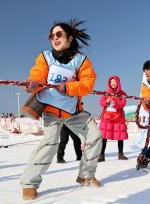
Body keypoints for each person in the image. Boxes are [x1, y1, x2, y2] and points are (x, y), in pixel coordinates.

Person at [21, 19, 102, 200]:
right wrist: (33, 83)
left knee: (95, 136)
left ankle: (86, 176)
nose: (54, 38)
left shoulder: (81, 61)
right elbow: (38, 73)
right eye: (51, 36)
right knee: (50, 142)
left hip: (73, 112)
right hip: (51, 111)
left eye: (59, 34)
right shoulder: (45, 57)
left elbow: (87, 85)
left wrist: (69, 87)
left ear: (70, 38)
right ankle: (29, 183)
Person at [98, 76, 128, 162]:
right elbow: (101, 102)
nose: (113, 83)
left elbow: (123, 104)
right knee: (104, 136)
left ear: (118, 82)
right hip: (107, 117)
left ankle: (121, 154)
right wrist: (106, 102)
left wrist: (115, 103)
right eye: (111, 82)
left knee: (120, 136)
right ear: (109, 83)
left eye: (114, 82)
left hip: (118, 118)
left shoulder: (122, 93)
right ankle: (101, 155)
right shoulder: (106, 92)